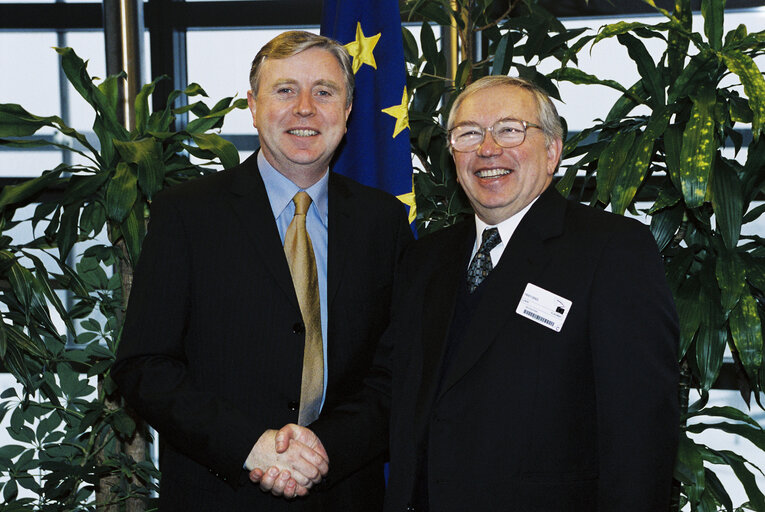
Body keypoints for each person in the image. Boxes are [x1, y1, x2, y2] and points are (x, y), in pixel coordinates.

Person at [257, 75, 680, 511]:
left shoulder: (611, 251)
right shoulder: (428, 260)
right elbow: (391, 392)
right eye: (469, 134)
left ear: (553, 151)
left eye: (510, 130)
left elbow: (640, 430)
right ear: (453, 155)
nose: (488, 149)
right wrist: (319, 446)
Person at [112, 30, 411, 511]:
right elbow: (144, 365)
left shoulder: (384, 223)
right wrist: (248, 445)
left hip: (345, 493)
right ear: (253, 105)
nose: (306, 108)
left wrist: (326, 448)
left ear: (348, 111)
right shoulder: (187, 214)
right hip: (219, 492)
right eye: (285, 90)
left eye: (325, 92)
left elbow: (397, 370)